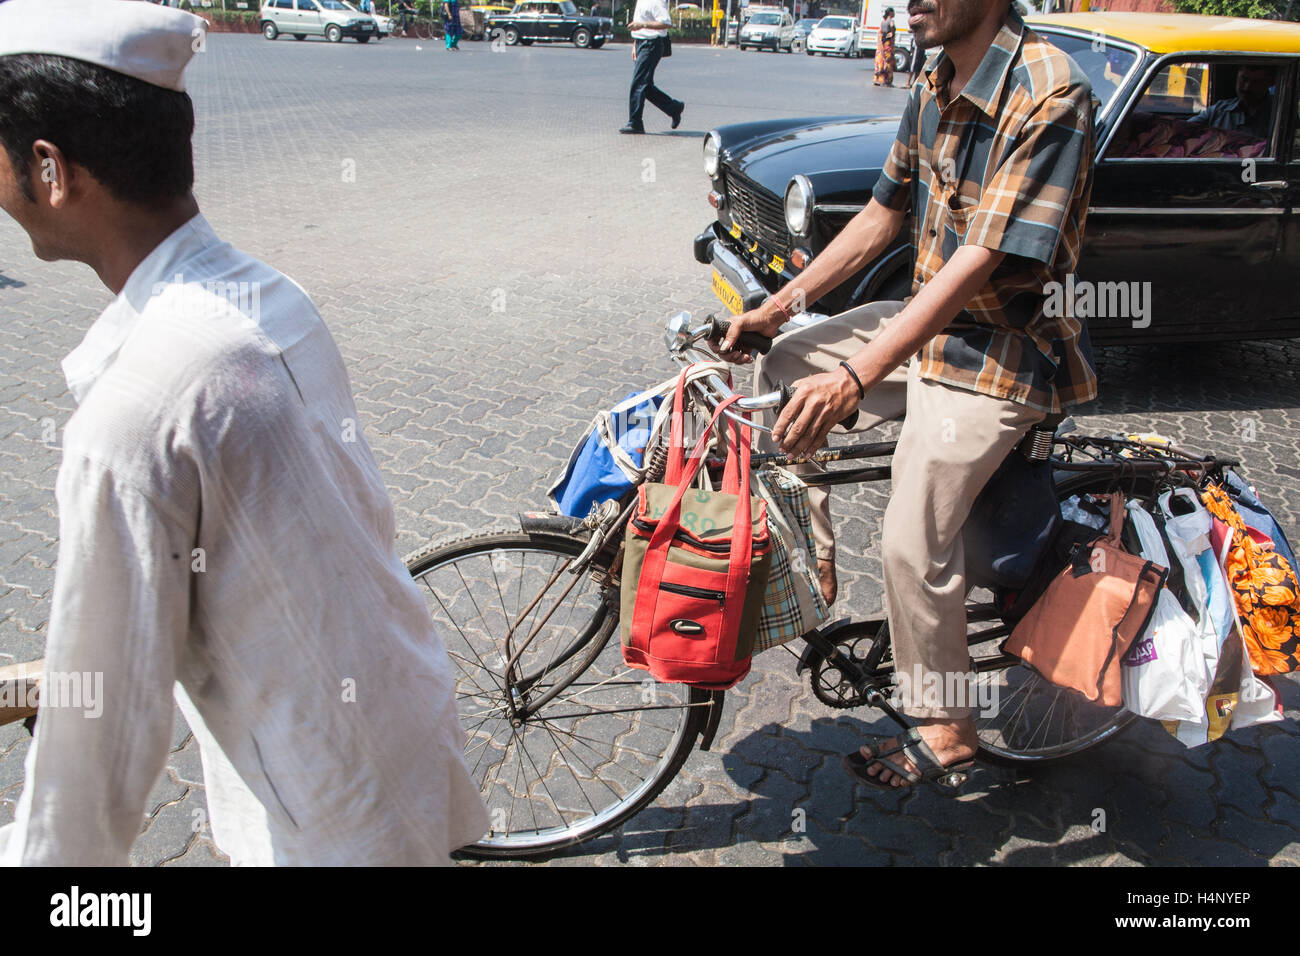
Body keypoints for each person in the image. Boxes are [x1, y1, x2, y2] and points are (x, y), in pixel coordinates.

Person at [0, 0, 489, 865]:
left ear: (48, 169)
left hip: (325, 817)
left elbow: (94, 760)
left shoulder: (133, 414)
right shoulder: (269, 293)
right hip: (399, 726)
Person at [718, 0, 1097, 792]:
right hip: (922, 328)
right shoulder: (936, 77)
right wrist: (778, 307)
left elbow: (978, 263)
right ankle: (813, 559)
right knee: (784, 366)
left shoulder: (1050, 93)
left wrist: (855, 377)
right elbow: (882, 214)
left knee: (910, 536)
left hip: (1002, 350)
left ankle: (949, 723)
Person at [620, 0, 684, 134]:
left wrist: (642, 25)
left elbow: (666, 22)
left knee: (638, 84)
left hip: (652, 44)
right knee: (645, 86)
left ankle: (635, 122)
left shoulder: (656, 1)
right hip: (641, 43)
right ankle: (674, 108)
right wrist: (635, 44)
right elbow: (638, 22)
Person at [1190, 64, 1274, 141]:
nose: (1247, 87)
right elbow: (1184, 128)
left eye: (1256, 82)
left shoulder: (1277, 115)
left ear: (1269, 83)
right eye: (1244, 79)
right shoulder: (1218, 110)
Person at [874, 7, 896, 87]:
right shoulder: (890, 21)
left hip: (881, 44)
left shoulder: (883, 21)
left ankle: (878, 79)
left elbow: (882, 33)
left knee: (881, 61)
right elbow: (891, 32)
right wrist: (891, 33)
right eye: (893, 12)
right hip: (888, 44)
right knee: (889, 62)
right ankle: (888, 81)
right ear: (890, 13)